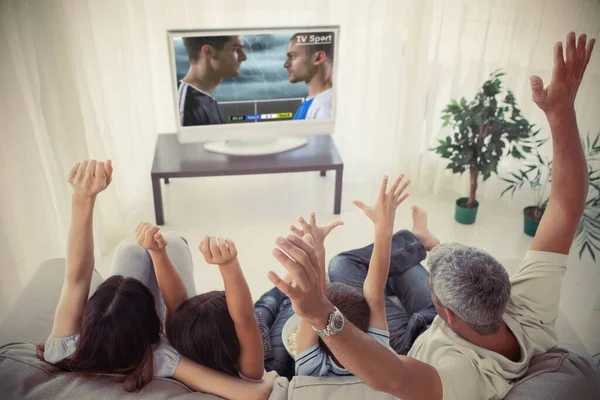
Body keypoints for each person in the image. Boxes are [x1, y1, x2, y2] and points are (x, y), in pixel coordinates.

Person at [267, 32, 596, 400]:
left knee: (344, 266)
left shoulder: (459, 373)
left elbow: (392, 378)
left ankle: (414, 241)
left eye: (433, 283)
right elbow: (567, 205)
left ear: (447, 313)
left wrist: (319, 312)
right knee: (367, 276)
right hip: (442, 317)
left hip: (411, 342)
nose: (431, 277)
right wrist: (561, 113)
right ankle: (421, 240)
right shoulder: (529, 304)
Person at [38, 159, 276, 399]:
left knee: (130, 251)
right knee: (170, 243)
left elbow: (77, 277)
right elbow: (189, 308)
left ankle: (156, 248)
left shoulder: (64, 347)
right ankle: (166, 245)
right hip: (200, 340)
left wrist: (82, 198)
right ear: (156, 327)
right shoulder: (158, 357)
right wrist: (272, 379)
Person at [294, 175, 414, 377]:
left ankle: (417, 239)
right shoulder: (379, 353)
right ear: (366, 330)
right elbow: (374, 294)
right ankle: (416, 238)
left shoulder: (310, 369)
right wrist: (383, 227)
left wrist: (318, 251)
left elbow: (316, 304)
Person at [178, 35, 247, 126]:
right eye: (236, 49)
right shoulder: (186, 106)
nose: (244, 57)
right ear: (208, 52)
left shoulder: (204, 99)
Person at [284, 32, 334, 120]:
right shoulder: (314, 102)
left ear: (318, 58)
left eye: (292, 56)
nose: (286, 64)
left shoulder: (326, 107)